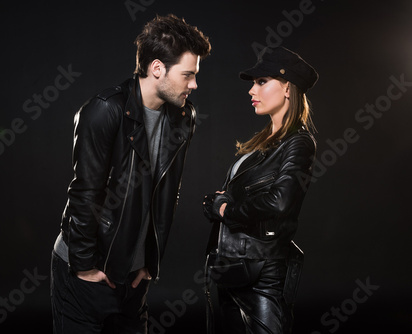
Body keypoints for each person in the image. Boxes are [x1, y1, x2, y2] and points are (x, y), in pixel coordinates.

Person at [50, 14, 211, 334]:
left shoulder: (183, 118)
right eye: (187, 75)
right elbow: (86, 192)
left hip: (133, 277)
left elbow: (167, 191)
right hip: (86, 272)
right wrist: (84, 266)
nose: (194, 84)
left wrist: (150, 263)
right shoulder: (104, 109)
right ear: (157, 69)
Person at [202, 46, 318, 334]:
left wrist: (227, 209)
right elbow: (250, 195)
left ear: (288, 88)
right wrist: (218, 202)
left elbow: (280, 202)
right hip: (232, 272)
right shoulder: (262, 145)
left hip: (262, 276)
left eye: (261, 82)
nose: (252, 90)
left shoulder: (299, 143)